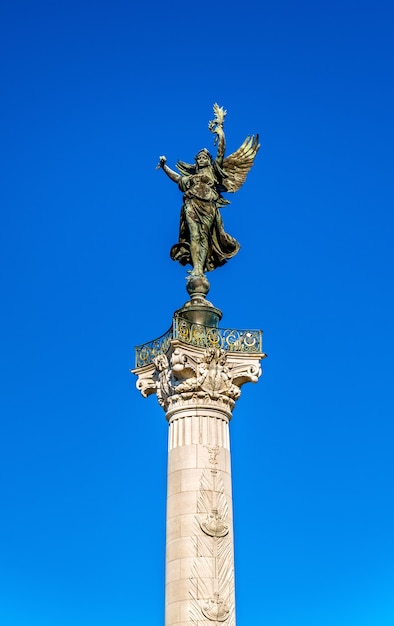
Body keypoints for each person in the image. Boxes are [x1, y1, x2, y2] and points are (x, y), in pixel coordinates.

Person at [158, 121, 240, 277]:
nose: (201, 159)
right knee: (194, 235)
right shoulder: (191, 178)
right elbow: (177, 177)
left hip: (208, 206)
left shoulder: (214, 172)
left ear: (209, 160)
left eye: (204, 157)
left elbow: (221, 152)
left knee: (204, 236)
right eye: (199, 158)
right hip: (191, 204)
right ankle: (197, 268)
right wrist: (164, 167)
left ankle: (200, 267)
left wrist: (220, 133)